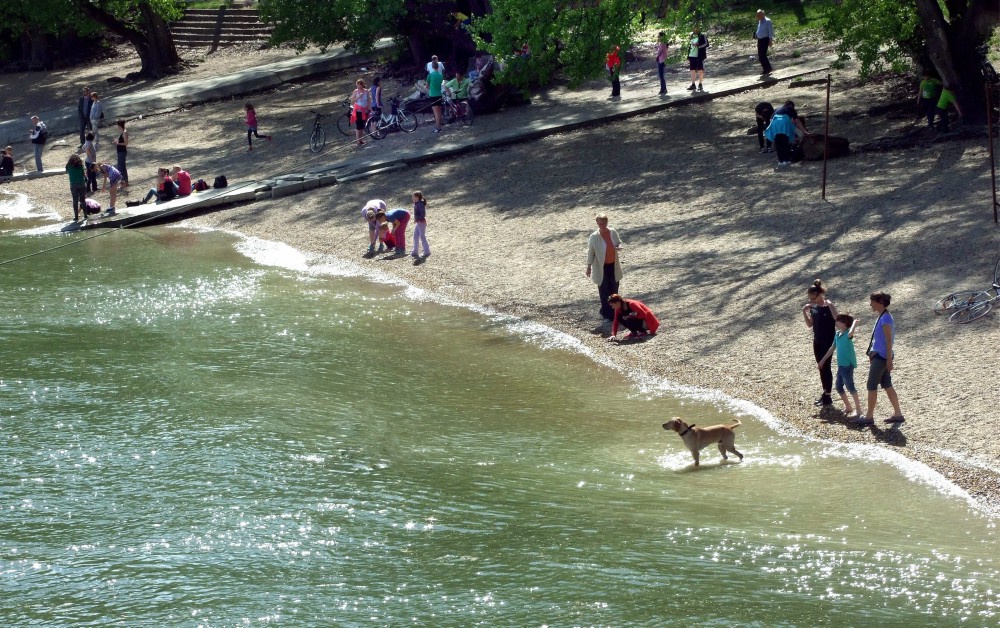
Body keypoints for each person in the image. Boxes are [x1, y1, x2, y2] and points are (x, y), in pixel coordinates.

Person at [856, 292, 905, 426]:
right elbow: (880, 340)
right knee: (887, 385)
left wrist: (889, 360)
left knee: (871, 385)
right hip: (881, 356)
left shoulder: (885, 319)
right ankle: (898, 414)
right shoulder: (882, 317)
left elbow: (889, 340)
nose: (870, 304)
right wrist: (873, 353)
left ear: (880, 303)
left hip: (883, 357)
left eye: (872, 301)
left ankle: (869, 417)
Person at [818, 313, 863, 418]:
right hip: (841, 365)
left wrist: (854, 324)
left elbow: (851, 332)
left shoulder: (847, 334)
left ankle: (859, 409)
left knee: (850, 387)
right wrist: (823, 360)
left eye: (838, 321)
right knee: (838, 387)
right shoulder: (837, 334)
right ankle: (848, 407)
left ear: (844, 324)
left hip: (848, 365)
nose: (836, 322)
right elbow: (832, 348)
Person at [802, 279, 838, 408]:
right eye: (810, 299)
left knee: (826, 366)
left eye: (813, 298)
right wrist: (804, 312)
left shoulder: (828, 306)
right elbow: (809, 325)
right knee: (820, 366)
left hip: (828, 341)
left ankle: (828, 396)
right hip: (817, 341)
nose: (811, 301)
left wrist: (831, 305)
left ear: (820, 294)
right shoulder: (814, 307)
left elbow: (837, 320)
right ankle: (825, 393)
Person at [585, 214, 623, 328]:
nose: (602, 225)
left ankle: (614, 312)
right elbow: (590, 252)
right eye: (600, 223)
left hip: (613, 266)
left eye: (604, 223)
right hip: (601, 267)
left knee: (614, 288)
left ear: (607, 222)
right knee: (604, 290)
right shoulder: (594, 237)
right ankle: (606, 315)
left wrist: (619, 246)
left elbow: (618, 242)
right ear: (597, 223)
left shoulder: (612, 232)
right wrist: (588, 266)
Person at [765, 100, 809, 166]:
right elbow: (797, 121)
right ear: (791, 106)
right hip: (784, 122)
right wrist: (804, 131)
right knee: (785, 142)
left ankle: (780, 161)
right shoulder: (791, 109)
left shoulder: (778, 109)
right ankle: (786, 160)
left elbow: (771, 119)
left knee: (778, 143)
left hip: (775, 124)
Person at [66, 154, 87, 221]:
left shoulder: (68, 166)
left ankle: (76, 217)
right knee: (83, 200)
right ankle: (85, 215)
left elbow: (68, 172)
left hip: (73, 185)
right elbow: (83, 175)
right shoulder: (80, 166)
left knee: (75, 200)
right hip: (81, 184)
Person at [686, 27, 708, 92]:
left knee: (700, 70)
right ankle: (693, 84)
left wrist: (698, 46)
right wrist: (688, 56)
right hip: (692, 55)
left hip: (699, 55)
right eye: (694, 28)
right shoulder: (691, 35)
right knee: (692, 70)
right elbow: (690, 46)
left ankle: (700, 84)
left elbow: (706, 44)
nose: (695, 30)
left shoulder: (702, 35)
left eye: (696, 28)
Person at [350, 80, 371, 146]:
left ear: (362, 85)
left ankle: (361, 139)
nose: (358, 86)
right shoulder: (356, 91)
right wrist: (358, 97)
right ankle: (358, 141)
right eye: (357, 85)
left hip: (364, 110)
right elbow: (352, 101)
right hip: (358, 110)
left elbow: (368, 99)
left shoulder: (366, 91)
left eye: (359, 85)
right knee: (358, 125)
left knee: (362, 125)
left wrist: (370, 107)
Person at [410, 190, 430, 258]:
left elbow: (423, 214)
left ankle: (427, 251)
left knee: (422, 236)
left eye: (413, 196)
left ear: (417, 197)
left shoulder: (420, 204)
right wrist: (416, 219)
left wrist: (418, 219)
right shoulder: (416, 203)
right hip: (418, 222)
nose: (412, 198)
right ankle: (415, 251)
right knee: (415, 236)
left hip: (421, 222)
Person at [754, 10, 774, 74]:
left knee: (763, 55)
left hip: (765, 39)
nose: (757, 16)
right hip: (760, 40)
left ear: (763, 14)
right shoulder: (760, 21)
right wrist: (756, 35)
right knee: (760, 55)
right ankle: (765, 69)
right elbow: (759, 30)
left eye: (759, 15)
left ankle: (768, 68)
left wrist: (770, 40)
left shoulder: (767, 21)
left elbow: (770, 31)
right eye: (757, 15)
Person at [427, 62, 444, 134]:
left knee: (436, 113)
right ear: (438, 67)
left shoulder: (430, 75)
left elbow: (427, 86)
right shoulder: (441, 75)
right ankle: (439, 126)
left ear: (432, 67)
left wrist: (431, 87)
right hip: (439, 95)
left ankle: (438, 128)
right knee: (439, 111)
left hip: (433, 95)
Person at [114, 120, 129, 190]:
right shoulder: (123, 132)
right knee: (122, 167)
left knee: (121, 168)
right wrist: (118, 141)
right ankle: (125, 182)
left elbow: (126, 143)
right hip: (121, 152)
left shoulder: (124, 132)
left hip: (122, 152)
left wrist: (118, 143)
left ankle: (123, 183)